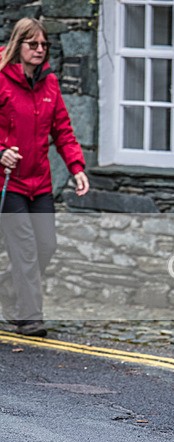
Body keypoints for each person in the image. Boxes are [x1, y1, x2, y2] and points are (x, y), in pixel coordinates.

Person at [0, 18, 89, 337]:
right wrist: (1, 151)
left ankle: (7, 289)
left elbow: (62, 130)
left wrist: (77, 168)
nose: (39, 50)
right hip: (7, 182)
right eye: (33, 44)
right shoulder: (2, 79)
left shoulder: (49, 83)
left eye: (44, 45)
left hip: (40, 181)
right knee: (24, 248)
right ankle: (29, 317)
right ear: (17, 44)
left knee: (46, 245)